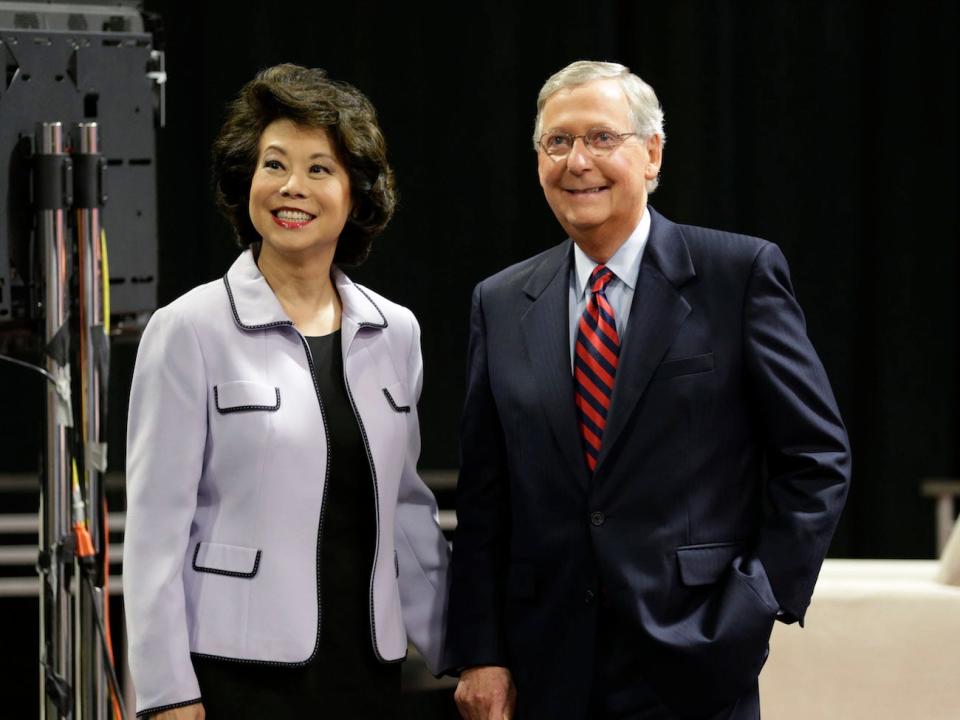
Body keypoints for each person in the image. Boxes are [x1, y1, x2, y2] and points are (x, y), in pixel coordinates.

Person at [445, 60, 851, 720]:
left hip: (695, 656)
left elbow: (817, 459)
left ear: (652, 154)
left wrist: (755, 602)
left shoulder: (736, 274)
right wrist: (479, 650)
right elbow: (485, 496)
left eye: (602, 138)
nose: (578, 161)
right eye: (557, 141)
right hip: (544, 665)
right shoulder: (499, 301)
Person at [123, 64, 450, 719]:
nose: (291, 187)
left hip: (368, 670)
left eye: (319, 169)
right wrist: (167, 694)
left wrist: (464, 655)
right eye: (274, 165)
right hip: (234, 676)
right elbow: (155, 534)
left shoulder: (397, 333)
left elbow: (408, 518)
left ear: (357, 195)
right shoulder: (187, 329)